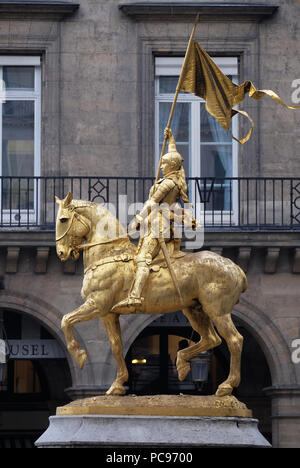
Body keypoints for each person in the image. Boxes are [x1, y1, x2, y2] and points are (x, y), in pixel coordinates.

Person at [113, 127, 195, 312]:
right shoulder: (172, 178)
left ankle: (134, 296)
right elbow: (174, 155)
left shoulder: (168, 183)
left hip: (160, 226)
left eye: (164, 163)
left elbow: (152, 202)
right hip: (157, 223)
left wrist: (137, 219)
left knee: (143, 258)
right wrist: (171, 139)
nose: (161, 165)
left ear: (172, 167)